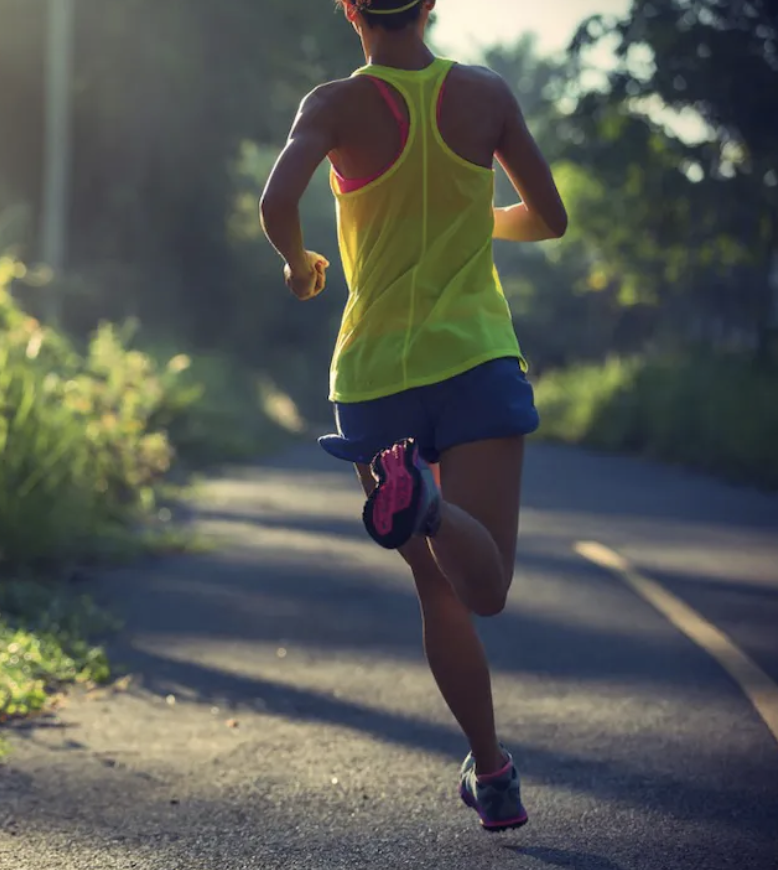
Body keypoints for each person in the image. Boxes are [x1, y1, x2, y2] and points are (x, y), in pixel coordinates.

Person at [260, 0, 567, 833]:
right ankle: (429, 507)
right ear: (430, 5)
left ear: (349, 8)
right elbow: (550, 217)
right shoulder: (486, 95)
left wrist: (299, 264)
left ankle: (493, 771)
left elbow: (276, 201)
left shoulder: (332, 105)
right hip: (475, 361)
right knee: (486, 585)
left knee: (438, 590)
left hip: (373, 378)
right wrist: (476, 219)